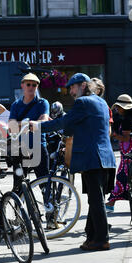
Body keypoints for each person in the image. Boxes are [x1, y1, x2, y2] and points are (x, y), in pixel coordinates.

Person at [29, 73, 116, 251]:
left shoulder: (83, 102)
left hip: (92, 157)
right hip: (105, 157)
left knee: (96, 200)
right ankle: (92, 236)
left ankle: (101, 239)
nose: (70, 91)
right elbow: (70, 126)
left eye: (73, 87)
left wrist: (38, 126)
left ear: (83, 85)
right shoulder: (100, 101)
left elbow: (66, 122)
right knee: (95, 199)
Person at [8, 73, 50, 193]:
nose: (31, 87)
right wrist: (29, 123)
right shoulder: (16, 105)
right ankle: (19, 211)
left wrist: (20, 123)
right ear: (22, 85)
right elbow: (11, 126)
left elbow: (43, 120)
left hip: (38, 146)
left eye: (34, 85)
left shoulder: (42, 103)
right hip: (20, 149)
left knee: (44, 184)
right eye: (28, 84)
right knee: (18, 186)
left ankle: (51, 210)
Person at [106, 94, 132, 212]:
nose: (117, 109)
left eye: (119, 107)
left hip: (129, 151)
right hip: (130, 151)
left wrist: (114, 135)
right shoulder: (129, 118)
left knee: (124, 176)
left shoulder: (127, 120)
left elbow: (125, 138)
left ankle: (111, 202)